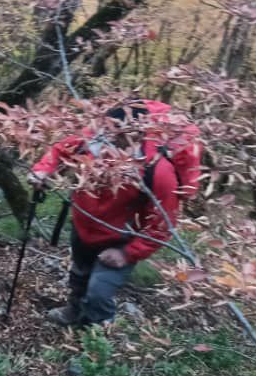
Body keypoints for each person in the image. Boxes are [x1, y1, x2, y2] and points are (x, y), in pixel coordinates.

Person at [29, 103, 181, 326]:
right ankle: (74, 312)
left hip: (120, 239)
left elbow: (162, 224)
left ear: (140, 133)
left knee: (99, 293)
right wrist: (43, 170)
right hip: (83, 226)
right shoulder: (89, 141)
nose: (108, 135)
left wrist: (128, 254)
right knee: (79, 275)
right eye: (107, 128)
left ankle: (98, 342)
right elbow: (60, 150)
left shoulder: (157, 170)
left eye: (119, 132)